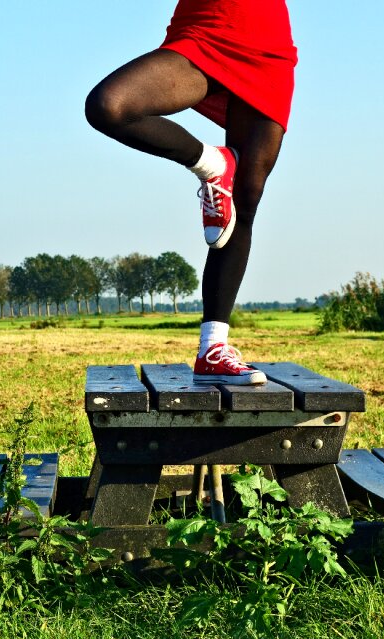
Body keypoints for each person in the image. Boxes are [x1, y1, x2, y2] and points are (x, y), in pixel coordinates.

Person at [85, 0, 297, 386]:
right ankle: (211, 163)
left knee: (245, 199)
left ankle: (213, 349)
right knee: (109, 106)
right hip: (211, 25)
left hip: (268, 40)